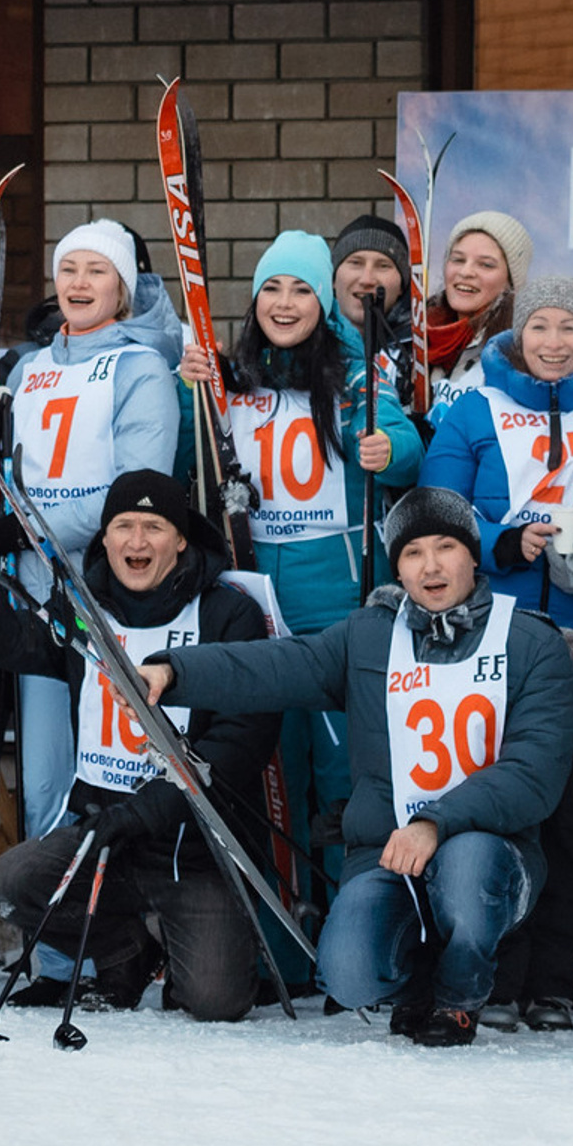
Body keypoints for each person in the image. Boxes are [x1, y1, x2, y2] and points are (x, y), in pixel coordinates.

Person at [121, 487, 573, 1044]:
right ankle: (417, 988)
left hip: (491, 854)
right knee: (347, 974)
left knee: (466, 872)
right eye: (412, 553)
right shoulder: (370, 636)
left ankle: (459, 998)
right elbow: (278, 665)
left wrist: (435, 821)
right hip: (386, 854)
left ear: (473, 555)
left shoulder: (531, 642)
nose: (431, 566)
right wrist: (174, 672)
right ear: (399, 568)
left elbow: (534, 774)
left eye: (446, 547)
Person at [422, 272, 573, 1029]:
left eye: (570, 328)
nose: (554, 342)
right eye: (540, 327)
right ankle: (493, 976)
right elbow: (439, 517)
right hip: (492, 637)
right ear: (516, 335)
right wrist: (500, 542)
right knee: (497, 810)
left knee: (570, 817)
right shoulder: (473, 409)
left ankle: (554, 983)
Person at [0, 470, 278, 1019]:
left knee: (215, 1002)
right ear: (104, 539)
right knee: (8, 884)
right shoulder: (84, 611)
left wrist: (148, 811)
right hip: (102, 838)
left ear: (181, 539)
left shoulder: (228, 613)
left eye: (154, 526)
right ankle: (126, 949)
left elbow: (243, 740)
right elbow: (5, 641)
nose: (137, 541)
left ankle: (183, 944)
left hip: (189, 853)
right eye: (123, 526)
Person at [183, 232, 416, 914]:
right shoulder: (231, 376)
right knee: (268, 770)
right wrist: (188, 386)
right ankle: (282, 931)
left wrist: (387, 449)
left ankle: (352, 922)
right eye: (272, 290)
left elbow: (405, 444)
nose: (285, 304)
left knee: (339, 771)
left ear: (324, 301)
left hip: (334, 600)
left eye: (302, 290)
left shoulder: (355, 373)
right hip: (252, 597)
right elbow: (184, 457)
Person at [0, 221, 180, 869]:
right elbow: (0, 469)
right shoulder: (26, 368)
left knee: (107, 767)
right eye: (68, 268)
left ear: (124, 289)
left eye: (97, 271)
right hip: (29, 590)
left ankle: (120, 942)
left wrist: (27, 525)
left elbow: (134, 492)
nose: (79, 282)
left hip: (106, 592)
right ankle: (54, 949)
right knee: (45, 773)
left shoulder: (142, 367)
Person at [419, 211, 532, 415]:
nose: (466, 272)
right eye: (458, 260)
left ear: (510, 281)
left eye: (486, 265)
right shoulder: (415, 338)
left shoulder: (522, 353)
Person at [331, 210, 419, 417]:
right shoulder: (307, 342)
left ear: (401, 287)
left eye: (383, 266)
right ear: (334, 279)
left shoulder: (420, 356)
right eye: (355, 263)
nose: (367, 279)